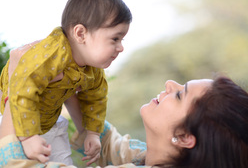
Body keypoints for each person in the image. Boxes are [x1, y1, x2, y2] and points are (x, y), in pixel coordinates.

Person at [1, 61, 248, 167]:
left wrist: (19, 84)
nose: (170, 83)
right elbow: (110, 147)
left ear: (184, 137)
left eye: (180, 94)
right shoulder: (149, 157)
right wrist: (72, 87)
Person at [0, 0, 132, 166]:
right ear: (80, 33)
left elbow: (96, 99)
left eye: (122, 39)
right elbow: (21, 90)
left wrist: (93, 133)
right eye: (115, 39)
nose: (121, 47)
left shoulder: (93, 70)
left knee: (65, 162)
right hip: (18, 120)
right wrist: (28, 137)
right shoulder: (49, 55)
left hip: (51, 124)